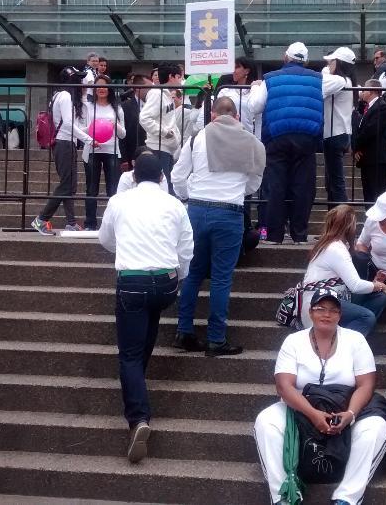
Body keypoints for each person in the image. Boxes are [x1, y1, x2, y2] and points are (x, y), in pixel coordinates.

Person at [98, 153, 194, 464]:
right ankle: (137, 386)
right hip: (165, 282)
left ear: (134, 176)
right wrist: (180, 275)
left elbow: (105, 240)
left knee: (129, 354)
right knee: (145, 338)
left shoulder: (119, 201)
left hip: (132, 281)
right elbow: (186, 248)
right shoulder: (175, 205)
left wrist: (126, 246)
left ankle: (138, 417)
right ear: (163, 177)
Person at [253, 288, 386, 505]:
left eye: (333, 310)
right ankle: (284, 497)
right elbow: (284, 386)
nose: (327, 314)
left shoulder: (355, 340)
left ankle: (347, 498)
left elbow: (366, 385)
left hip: (344, 406)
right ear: (310, 312)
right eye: (320, 308)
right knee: (266, 421)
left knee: (376, 428)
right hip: (300, 408)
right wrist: (313, 414)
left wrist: (351, 414)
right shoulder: (293, 341)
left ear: (340, 315)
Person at [171, 97, 265, 356]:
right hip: (229, 212)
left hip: (197, 209)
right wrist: (235, 191)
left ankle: (184, 331)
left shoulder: (197, 138)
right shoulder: (252, 143)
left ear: (212, 115)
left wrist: (189, 195)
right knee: (222, 278)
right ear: (237, 117)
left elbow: (177, 176)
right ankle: (216, 339)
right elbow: (254, 184)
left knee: (193, 273)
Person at [249, 42, 324, 245]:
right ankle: (300, 234)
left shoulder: (270, 78)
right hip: (308, 135)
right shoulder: (318, 79)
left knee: (275, 185)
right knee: (303, 186)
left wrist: (255, 88)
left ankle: (274, 235)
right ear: (306, 61)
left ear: (285, 57)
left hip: (277, 135)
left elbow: (254, 106)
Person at [301, 205, 386, 337]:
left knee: (379, 297)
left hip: (336, 296)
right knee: (367, 317)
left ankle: (346, 331)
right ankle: (339, 343)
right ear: (350, 226)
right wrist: (380, 285)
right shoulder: (336, 249)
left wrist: (374, 283)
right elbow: (355, 286)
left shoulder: (330, 244)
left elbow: (351, 283)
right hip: (319, 303)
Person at [31, 66, 88, 235]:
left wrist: (86, 135)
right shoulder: (66, 96)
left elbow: (69, 124)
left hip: (62, 143)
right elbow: (68, 124)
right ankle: (41, 219)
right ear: (71, 80)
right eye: (78, 79)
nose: (81, 82)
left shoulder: (59, 95)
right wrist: (89, 139)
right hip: (64, 143)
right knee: (66, 185)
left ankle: (71, 222)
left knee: (69, 185)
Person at [82, 74, 126, 230]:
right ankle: (90, 223)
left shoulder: (117, 108)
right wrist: (91, 129)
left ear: (109, 89)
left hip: (111, 150)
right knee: (91, 189)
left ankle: (111, 225)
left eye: (104, 86)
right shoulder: (88, 107)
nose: (101, 89)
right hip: (92, 150)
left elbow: (123, 134)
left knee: (112, 189)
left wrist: (114, 125)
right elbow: (80, 130)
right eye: (98, 86)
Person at [139, 62, 183, 192]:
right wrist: (165, 132)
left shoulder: (165, 94)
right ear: (171, 77)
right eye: (179, 77)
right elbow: (144, 118)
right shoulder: (157, 94)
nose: (181, 81)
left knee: (167, 186)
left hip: (166, 148)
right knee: (163, 187)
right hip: (158, 148)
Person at [321, 47, 358, 204]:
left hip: (334, 135)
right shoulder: (347, 81)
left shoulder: (339, 80)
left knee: (336, 183)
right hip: (340, 134)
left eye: (331, 61)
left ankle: (342, 216)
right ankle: (335, 214)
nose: (328, 64)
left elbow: (319, 85)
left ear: (340, 63)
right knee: (332, 182)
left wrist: (325, 71)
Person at [354, 80, 386, 203]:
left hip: (377, 158)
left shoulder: (382, 107)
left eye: (364, 89)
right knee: (368, 195)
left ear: (371, 91)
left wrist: (356, 145)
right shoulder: (368, 107)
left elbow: (370, 130)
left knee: (377, 195)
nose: (362, 92)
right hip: (367, 158)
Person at [217, 57, 261, 138]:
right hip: (226, 137)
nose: (233, 71)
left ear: (247, 71)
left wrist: (258, 140)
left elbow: (259, 121)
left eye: (237, 67)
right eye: (233, 67)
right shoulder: (225, 91)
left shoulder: (255, 92)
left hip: (248, 138)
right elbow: (217, 114)